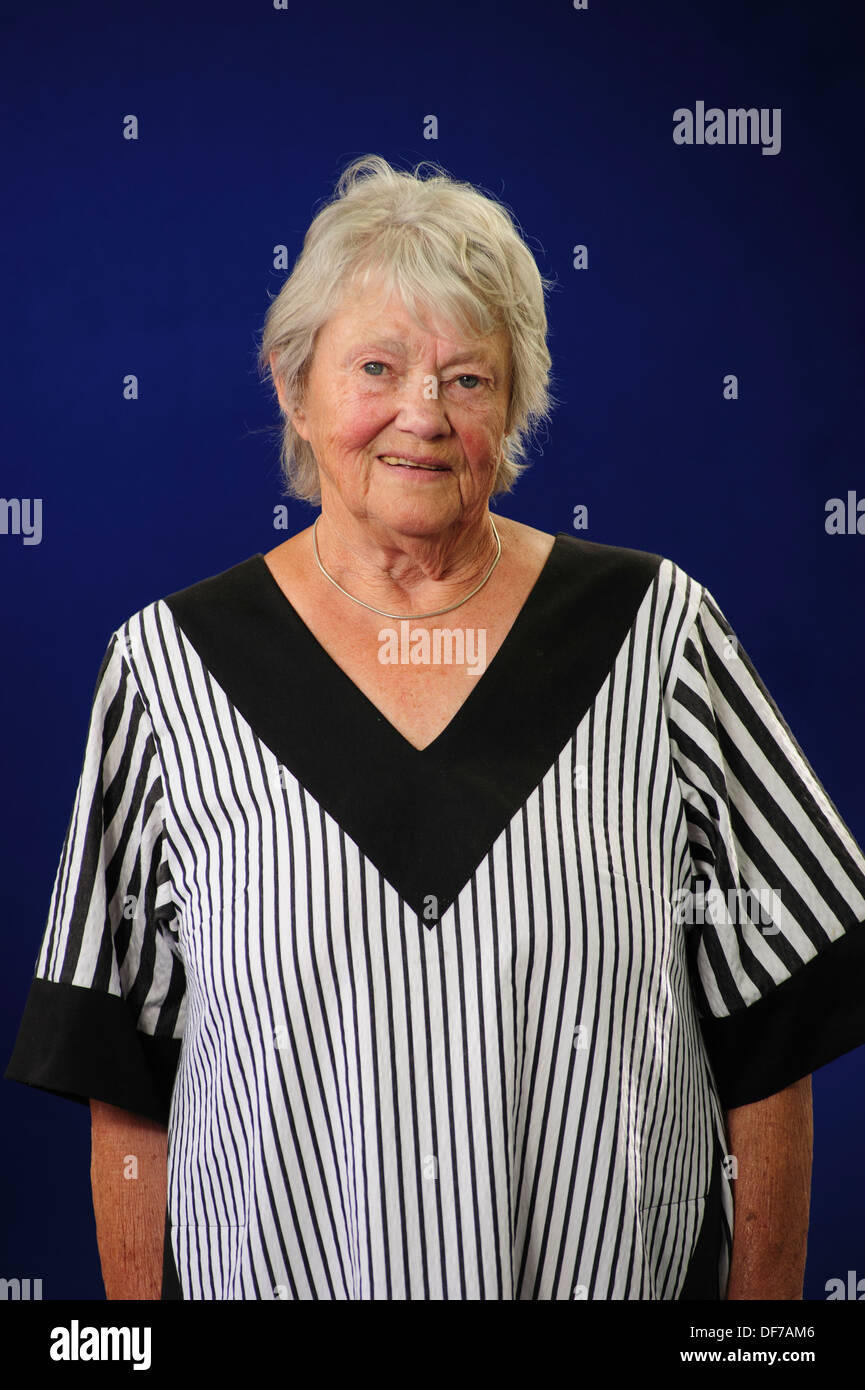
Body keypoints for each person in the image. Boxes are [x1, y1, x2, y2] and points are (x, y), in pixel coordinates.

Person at [6, 154, 865, 1301]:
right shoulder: (167, 670)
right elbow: (125, 1072)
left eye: (467, 378)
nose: (422, 413)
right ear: (291, 387)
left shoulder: (658, 637)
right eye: (377, 367)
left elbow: (777, 1034)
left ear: (513, 410)